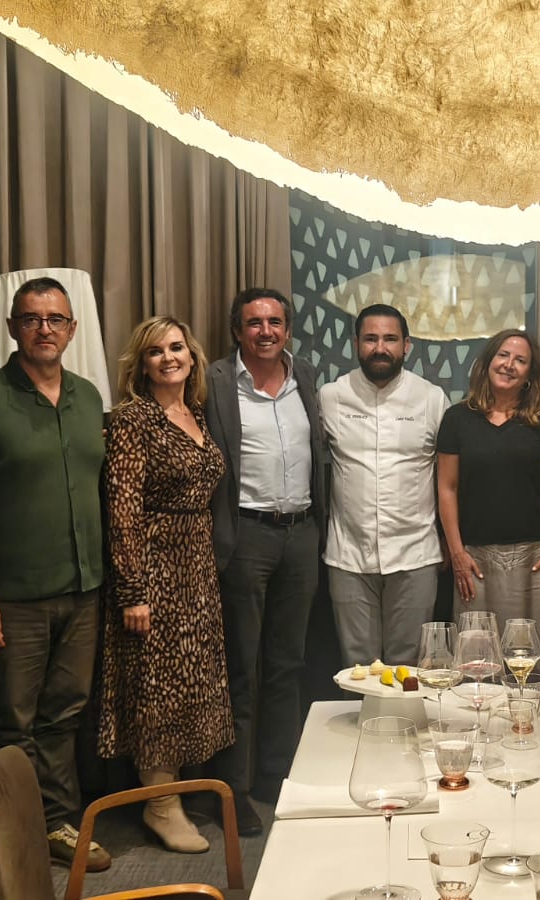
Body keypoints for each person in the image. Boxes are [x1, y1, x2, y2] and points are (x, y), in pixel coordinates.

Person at [0, 277, 112, 869]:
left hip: (83, 590)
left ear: (72, 329)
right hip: (12, 597)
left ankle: (59, 824)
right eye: (33, 318)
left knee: (64, 715)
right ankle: (12, 842)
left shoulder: (89, 398)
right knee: (10, 725)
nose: (45, 328)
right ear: (14, 327)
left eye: (56, 319)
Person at [99, 316, 233, 853]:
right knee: (155, 688)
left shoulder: (194, 413)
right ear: (142, 364)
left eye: (176, 347)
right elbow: (122, 510)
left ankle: (172, 791)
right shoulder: (133, 419)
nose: (168, 357)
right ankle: (159, 805)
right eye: (156, 351)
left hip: (195, 567)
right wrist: (133, 591)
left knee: (189, 683)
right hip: (153, 568)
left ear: (192, 356)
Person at [203, 287, 326, 836]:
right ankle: (232, 789)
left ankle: (276, 776)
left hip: (301, 534)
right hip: (245, 535)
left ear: (288, 329)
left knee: (287, 665)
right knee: (241, 667)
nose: (266, 331)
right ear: (238, 331)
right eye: (254, 323)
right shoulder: (215, 382)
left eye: (275, 322)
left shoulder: (307, 378)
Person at [437, 328, 540, 694]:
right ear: (487, 362)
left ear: (530, 373)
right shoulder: (456, 419)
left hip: (537, 558)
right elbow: (447, 488)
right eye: (503, 355)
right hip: (475, 561)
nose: (509, 365)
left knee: (536, 663)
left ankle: (537, 725)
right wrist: (456, 552)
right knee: (478, 666)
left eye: (520, 360)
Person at [320, 304, 451, 667]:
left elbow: (452, 475)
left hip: (415, 554)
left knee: (409, 668)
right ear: (356, 344)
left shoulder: (432, 398)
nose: (380, 348)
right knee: (357, 668)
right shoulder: (330, 396)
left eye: (390, 339)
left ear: (406, 345)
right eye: (371, 339)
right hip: (348, 555)